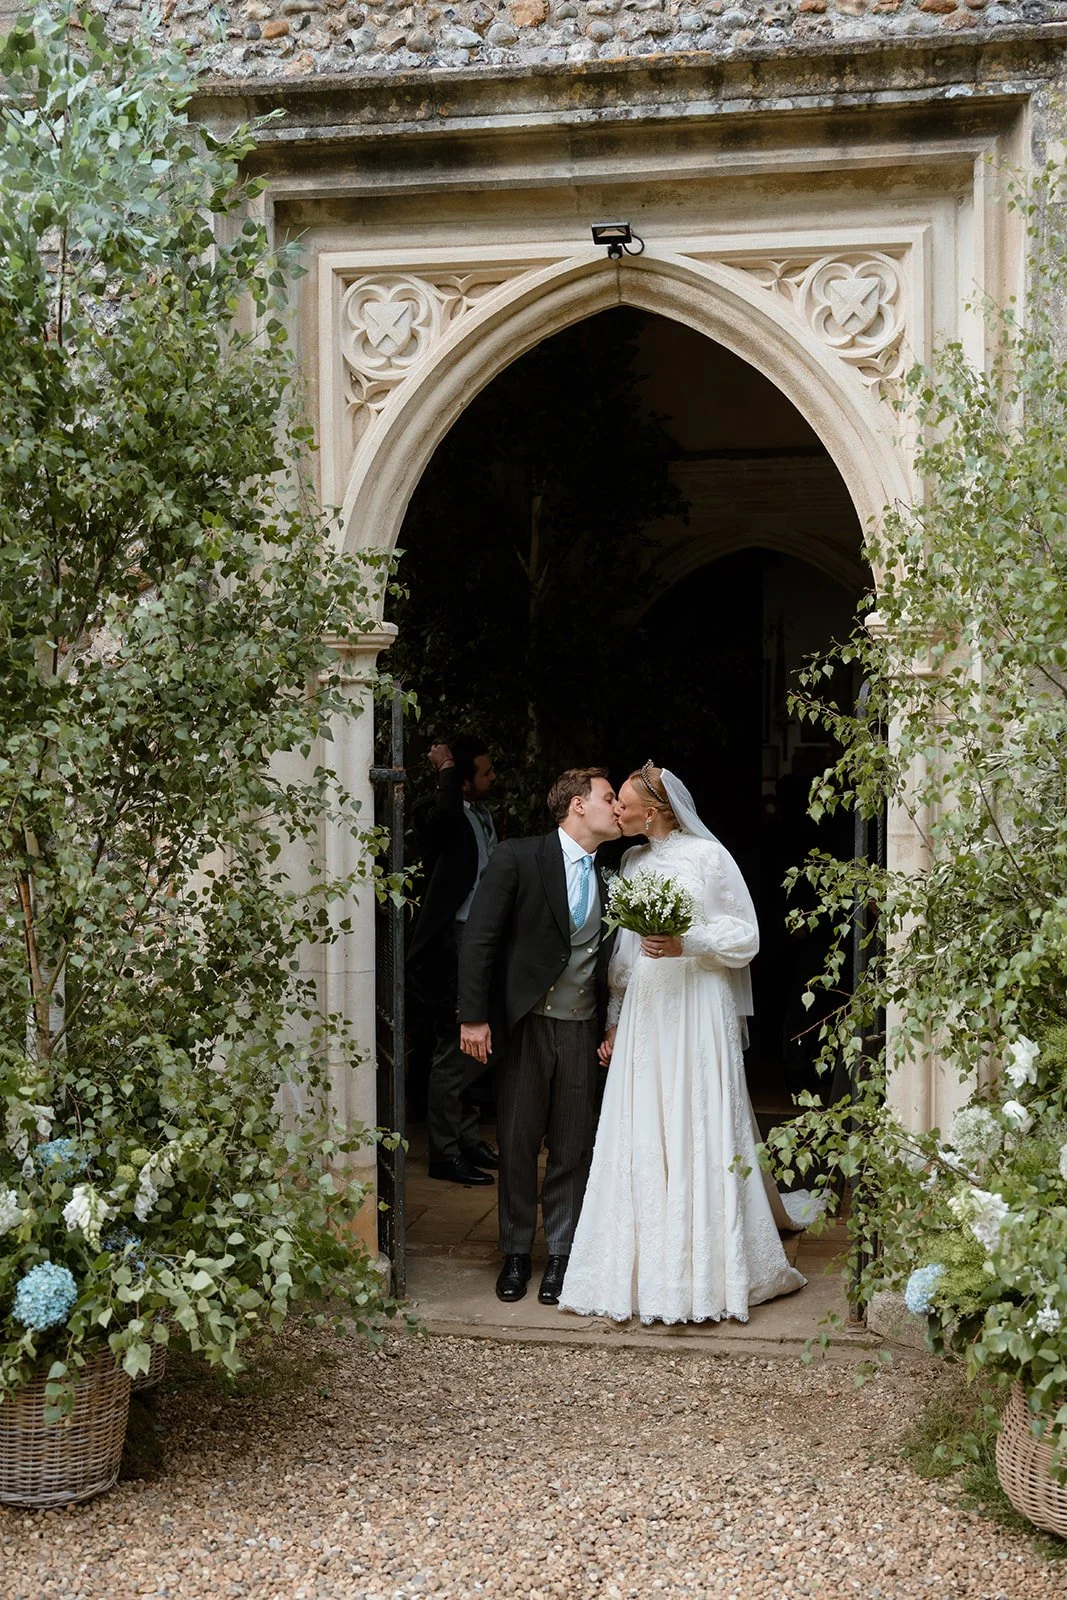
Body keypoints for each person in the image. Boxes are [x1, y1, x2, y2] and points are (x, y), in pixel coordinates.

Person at [558, 763, 809, 1326]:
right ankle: (642, 1267)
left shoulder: (709, 858)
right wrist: (615, 1019)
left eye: (623, 802)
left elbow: (746, 936)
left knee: (698, 1115)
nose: (616, 811)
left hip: (699, 1002)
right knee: (644, 1121)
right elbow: (624, 955)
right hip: (649, 1005)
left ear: (656, 809)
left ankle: (709, 1270)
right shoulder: (629, 860)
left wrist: (687, 942)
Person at [457, 767, 621, 1305]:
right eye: (607, 797)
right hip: (524, 1024)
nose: (616, 806)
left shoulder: (611, 876)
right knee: (519, 1141)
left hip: (581, 1028)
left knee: (573, 1145)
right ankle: (514, 1253)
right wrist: (473, 1016)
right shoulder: (519, 856)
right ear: (577, 805)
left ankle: (561, 1256)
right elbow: (480, 937)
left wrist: (612, 1023)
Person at [407, 735, 500, 1186]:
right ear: (461, 782)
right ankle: (444, 1153)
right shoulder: (437, 812)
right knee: (453, 1044)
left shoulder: (479, 814)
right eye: (484, 772)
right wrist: (444, 769)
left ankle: (466, 1139)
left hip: (482, 938)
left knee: (479, 1040)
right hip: (452, 943)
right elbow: (443, 818)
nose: (494, 778)